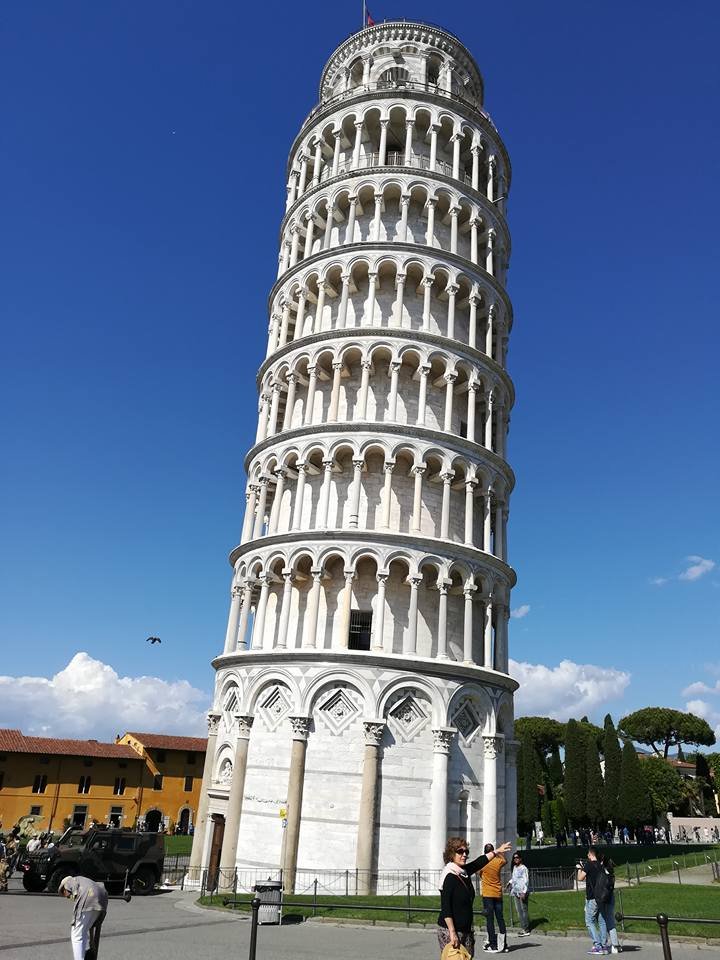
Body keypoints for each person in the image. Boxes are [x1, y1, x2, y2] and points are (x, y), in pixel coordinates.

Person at [438, 837, 512, 958]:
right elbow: (446, 908)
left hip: (466, 929)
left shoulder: (463, 871)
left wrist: (497, 851)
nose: (464, 855)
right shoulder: (449, 876)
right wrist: (452, 932)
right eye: (460, 852)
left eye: (466, 852)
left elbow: (479, 862)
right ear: (451, 854)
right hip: (450, 931)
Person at [59, 875, 108, 960]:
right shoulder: (84, 881)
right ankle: (83, 955)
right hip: (100, 901)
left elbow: (72, 891)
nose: (67, 897)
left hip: (88, 897)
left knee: (76, 935)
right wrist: (91, 941)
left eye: (64, 893)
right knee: (82, 932)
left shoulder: (70, 881)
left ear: (64, 887)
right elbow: (90, 926)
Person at [479, 843, 508, 952]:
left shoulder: (483, 863)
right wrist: (499, 852)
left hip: (487, 894)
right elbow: (505, 860)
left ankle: (493, 943)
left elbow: (479, 873)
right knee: (500, 919)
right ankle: (504, 944)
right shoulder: (498, 861)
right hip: (497, 893)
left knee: (490, 920)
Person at [577, 847, 605, 955]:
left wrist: (579, 868)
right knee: (600, 920)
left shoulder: (589, 865)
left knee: (589, 921)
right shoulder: (600, 865)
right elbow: (588, 877)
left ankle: (597, 945)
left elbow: (580, 878)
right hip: (600, 896)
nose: (587, 856)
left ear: (590, 854)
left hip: (592, 897)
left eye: (588, 854)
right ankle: (603, 944)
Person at [594, 856, 621, 954]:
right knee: (609, 920)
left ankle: (614, 944)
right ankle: (614, 943)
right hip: (610, 897)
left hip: (604, 898)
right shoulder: (610, 872)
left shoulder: (602, 872)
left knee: (608, 922)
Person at [507, 851, 530, 936]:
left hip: (522, 892)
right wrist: (509, 882)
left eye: (517, 858)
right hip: (516, 891)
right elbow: (514, 878)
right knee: (518, 911)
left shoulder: (524, 868)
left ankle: (526, 929)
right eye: (514, 858)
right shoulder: (515, 868)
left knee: (524, 910)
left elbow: (526, 881)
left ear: (520, 858)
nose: (515, 859)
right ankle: (523, 927)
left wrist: (524, 892)